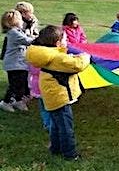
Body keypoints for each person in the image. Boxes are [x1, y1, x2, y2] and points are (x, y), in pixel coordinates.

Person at [26, 25, 91, 161]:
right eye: (65, 39)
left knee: (56, 125)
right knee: (66, 127)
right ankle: (70, 154)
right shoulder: (56, 58)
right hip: (60, 98)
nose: (66, 41)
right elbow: (77, 64)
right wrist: (86, 56)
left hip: (51, 97)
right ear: (57, 43)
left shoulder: (45, 54)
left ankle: (55, 149)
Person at [0, 9, 35, 112]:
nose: (22, 22)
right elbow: (27, 41)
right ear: (14, 22)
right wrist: (40, 38)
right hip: (14, 64)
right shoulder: (13, 33)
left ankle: (19, 101)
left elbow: (27, 37)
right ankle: (6, 102)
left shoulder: (18, 31)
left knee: (22, 84)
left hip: (20, 63)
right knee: (15, 84)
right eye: (20, 20)